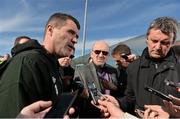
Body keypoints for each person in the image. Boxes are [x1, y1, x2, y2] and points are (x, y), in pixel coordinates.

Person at [0, 12, 80, 117]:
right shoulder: (28, 62)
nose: (75, 40)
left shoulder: (53, 65)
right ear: (50, 30)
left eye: (77, 36)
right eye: (70, 32)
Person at [113, 17, 180, 117]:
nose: (158, 47)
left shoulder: (178, 68)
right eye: (154, 41)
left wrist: (172, 116)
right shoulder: (133, 67)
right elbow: (129, 99)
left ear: (172, 43)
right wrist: (116, 102)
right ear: (147, 40)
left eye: (165, 43)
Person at [73, 40, 119, 117]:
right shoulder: (81, 70)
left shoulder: (113, 71)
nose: (101, 55)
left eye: (104, 53)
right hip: (90, 113)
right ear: (91, 53)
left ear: (107, 56)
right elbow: (77, 92)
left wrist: (113, 88)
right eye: (97, 52)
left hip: (111, 114)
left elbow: (117, 91)